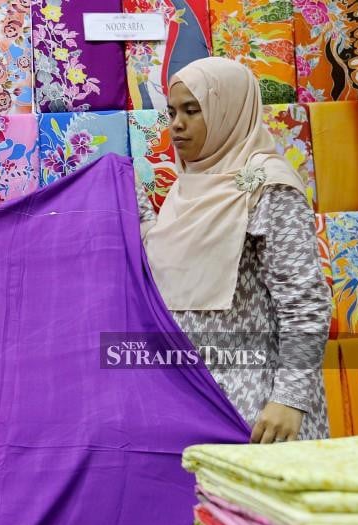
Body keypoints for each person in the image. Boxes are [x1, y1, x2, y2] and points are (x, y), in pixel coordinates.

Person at [138, 57, 332, 443]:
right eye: (173, 111)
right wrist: (130, 205)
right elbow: (169, 276)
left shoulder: (269, 186)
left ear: (228, 110)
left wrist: (290, 399)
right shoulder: (186, 188)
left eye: (193, 111)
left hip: (255, 404)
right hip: (187, 396)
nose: (176, 124)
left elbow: (305, 301)